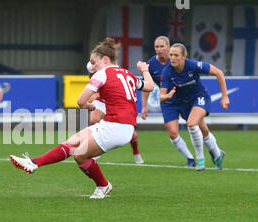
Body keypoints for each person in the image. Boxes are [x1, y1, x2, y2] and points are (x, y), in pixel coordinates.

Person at [10, 37, 154, 199]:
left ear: (105, 59)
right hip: (120, 125)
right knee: (73, 142)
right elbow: (150, 86)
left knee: (79, 154)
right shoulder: (127, 74)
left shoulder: (101, 74)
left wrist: (87, 106)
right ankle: (34, 162)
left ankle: (103, 186)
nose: (92, 66)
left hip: (116, 127)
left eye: (94, 62)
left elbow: (80, 101)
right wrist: (144, 69)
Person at [142, 36, 222, 168]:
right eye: (156, 47)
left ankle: (216, 153)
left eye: (162, 46)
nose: (159, 49)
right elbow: (147, 85)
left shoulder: (184, 63)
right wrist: (145, 105)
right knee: (173, 132)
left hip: (188, 98)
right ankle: (192, 159)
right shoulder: (154, 66)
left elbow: (217, 72)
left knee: (201, 129)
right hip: (169, 101)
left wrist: (224, 97)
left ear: (168, 47)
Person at [160, 43, 229, 171]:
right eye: (171, 55)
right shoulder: (167, 71)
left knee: (192, 124)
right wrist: (168, 96)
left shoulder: (193, 65)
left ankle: (200, 160)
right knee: (203, 131)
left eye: (176, 55)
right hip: (185, 103)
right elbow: (161, 96)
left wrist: (225, 96)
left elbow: (219, 73)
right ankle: (218, 155)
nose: (173, 58)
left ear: (184, 56)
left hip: (200, 97)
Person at [87, 61, 144, 164]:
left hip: (115, 100)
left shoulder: (111, 69)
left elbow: (115, 87)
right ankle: (98, 147)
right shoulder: (92, 67)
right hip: (102, 100)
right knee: (93, 120)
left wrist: (97, 95)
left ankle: (136, 152)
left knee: (127, 129)